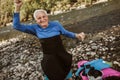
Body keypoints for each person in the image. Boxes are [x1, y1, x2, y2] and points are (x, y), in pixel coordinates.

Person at [13, 0, 85, 80]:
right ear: (36, 21)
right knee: (50, 76)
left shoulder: (56, 24)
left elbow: (65, 32)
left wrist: (77, 35)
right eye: (39, 18)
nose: (42, 19)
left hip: (61, 55)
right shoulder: (34, 28)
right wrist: (17, 7)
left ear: (47, 17)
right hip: (49, 59)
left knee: (67, 75)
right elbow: (16, 26)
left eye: (44, 16)